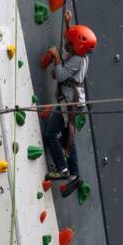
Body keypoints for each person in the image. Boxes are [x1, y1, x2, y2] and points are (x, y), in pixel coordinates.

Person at [43, 11, 97, 195]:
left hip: (69, 103)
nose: (66, 41)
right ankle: (74, 175)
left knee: (50, 134)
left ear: (76, 46)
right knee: (67, 140)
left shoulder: (76, 60)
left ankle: (62, 169)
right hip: (74, 102)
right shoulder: (82, 55)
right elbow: (73, 44)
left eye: (70, 40)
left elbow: (60, 74)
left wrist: (56, 55)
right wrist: (68, 23)